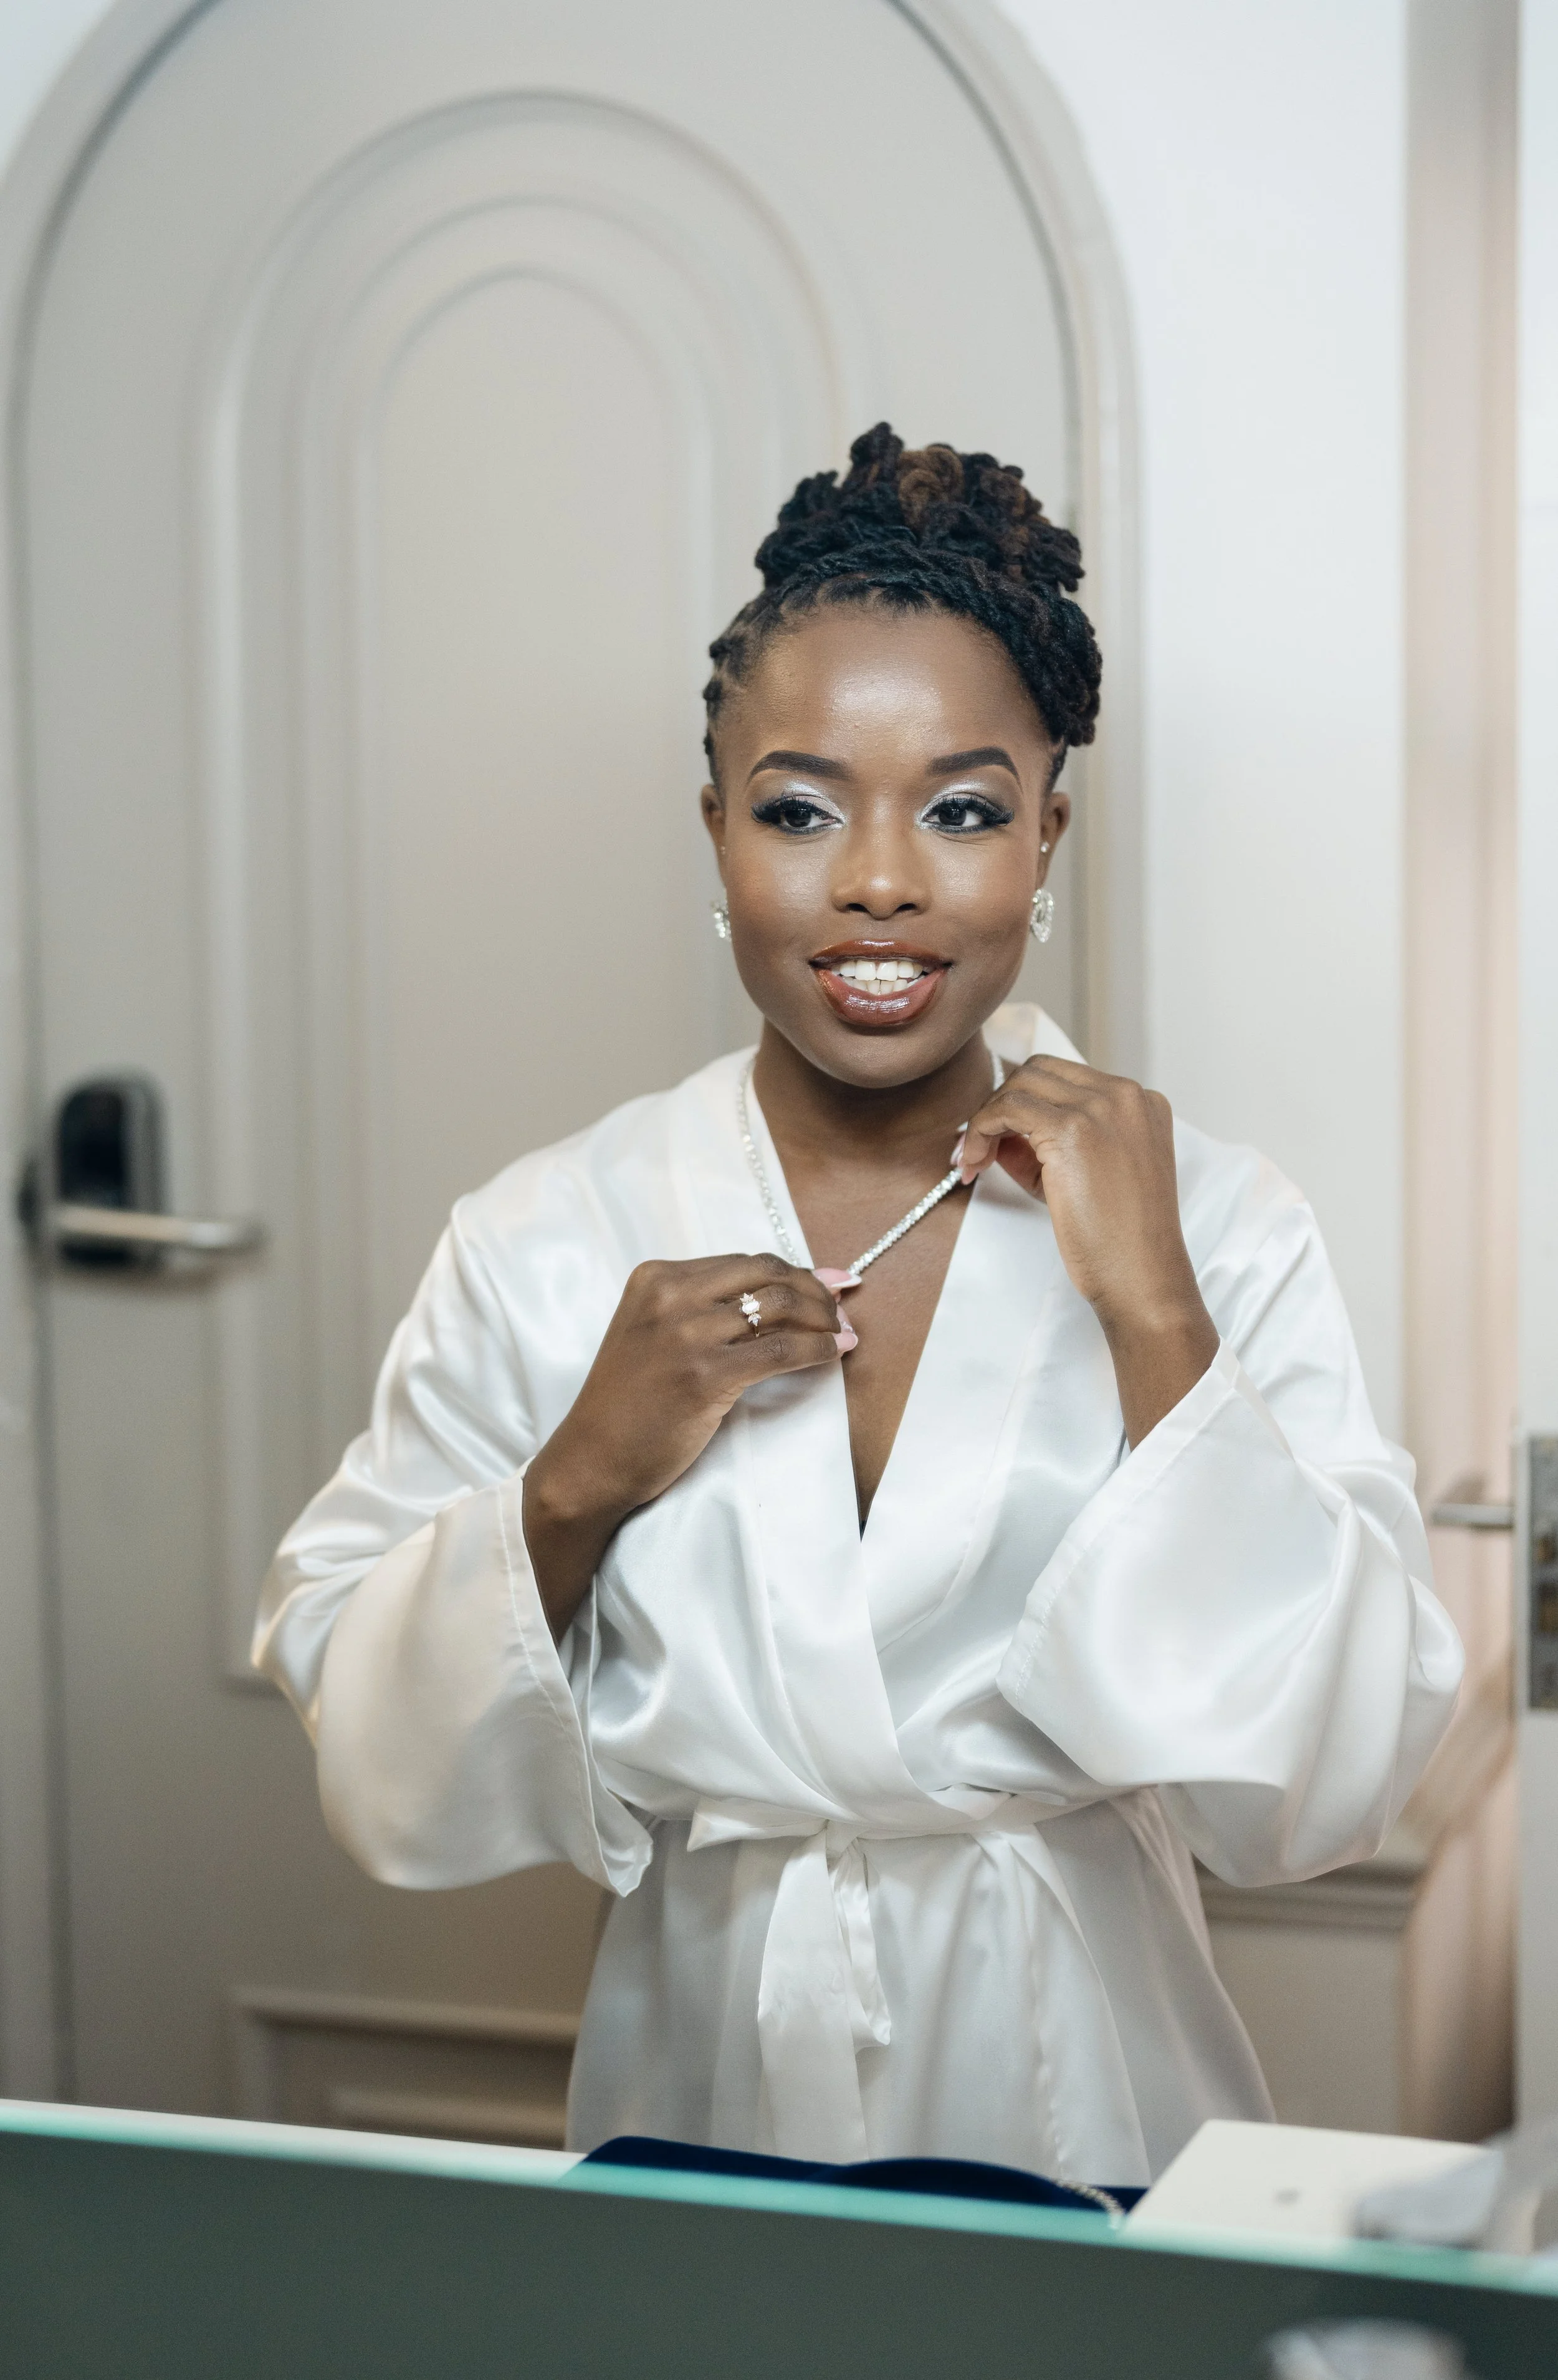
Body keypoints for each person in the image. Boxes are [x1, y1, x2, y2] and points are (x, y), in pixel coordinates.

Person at [254, 424, 1462, 2189]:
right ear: (716, 826)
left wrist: (1153, 1322)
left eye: (964, 808)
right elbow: (371, 1741)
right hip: (704, 2073)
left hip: (1089, 2077)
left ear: (1048, 832)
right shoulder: (550, 1233)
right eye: (801, 807)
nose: (880, 880)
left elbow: (1321, 1783)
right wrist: (578, 1476)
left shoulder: (1212, 1219)